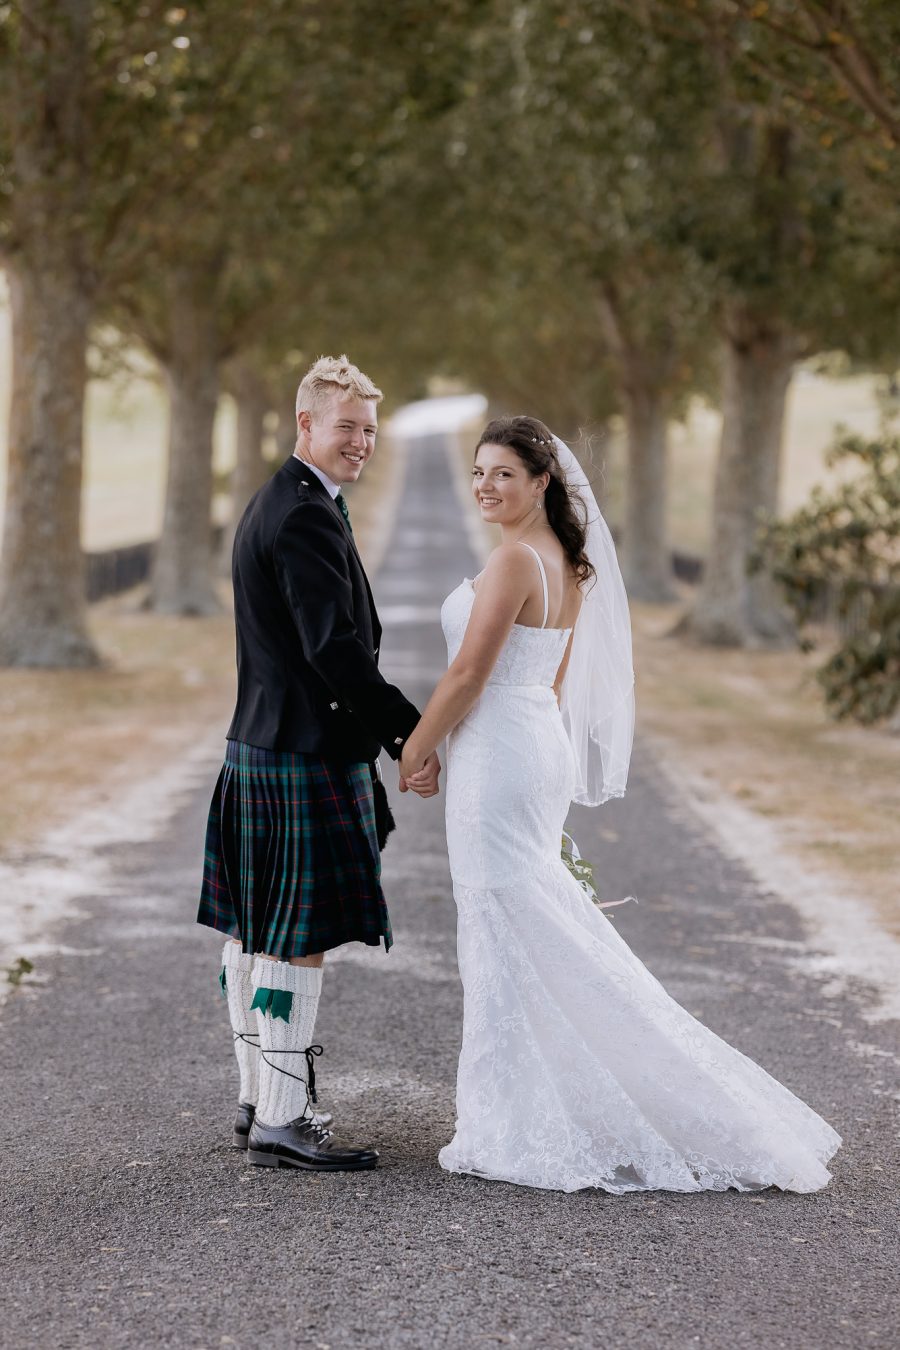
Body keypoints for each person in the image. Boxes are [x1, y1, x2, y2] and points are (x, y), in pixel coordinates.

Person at [401, 414, 840, 1193]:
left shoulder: (512, 564)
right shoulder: (567, 563)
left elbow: (469, 675)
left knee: (504, 921)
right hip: (529, 742)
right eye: (478, 472)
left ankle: (513, 1117)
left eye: (503, 473)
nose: (485, 486)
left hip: (500, 753)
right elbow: (553, 680)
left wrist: (418, 746)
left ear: (541, 482)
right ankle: (532, 1100)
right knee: (529, 919)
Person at [198, 354, 440, 1172]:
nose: (361, 443)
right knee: (295, 937)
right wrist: (410, 733)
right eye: (347, 428)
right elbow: (334, 650)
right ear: (307, 424)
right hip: (300, 753)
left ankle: (258, 1099)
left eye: (370, 430)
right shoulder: (302, 514)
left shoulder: (286, 499)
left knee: (256, 927)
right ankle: (283, 1117)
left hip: (261, 747)